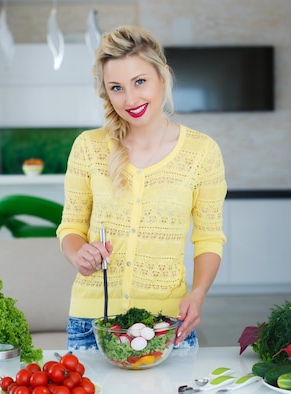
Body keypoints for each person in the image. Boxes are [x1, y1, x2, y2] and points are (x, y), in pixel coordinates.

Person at [56, 25, 227, 351]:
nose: (130, 99)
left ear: (162, 75)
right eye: (117, 87)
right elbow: (71, 228)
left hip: (168, 323)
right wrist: (80, 253)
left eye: (140, 82)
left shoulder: (202, 153)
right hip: (92, 324)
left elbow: (209, 238)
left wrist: (198, 294)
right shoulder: (88, 148)